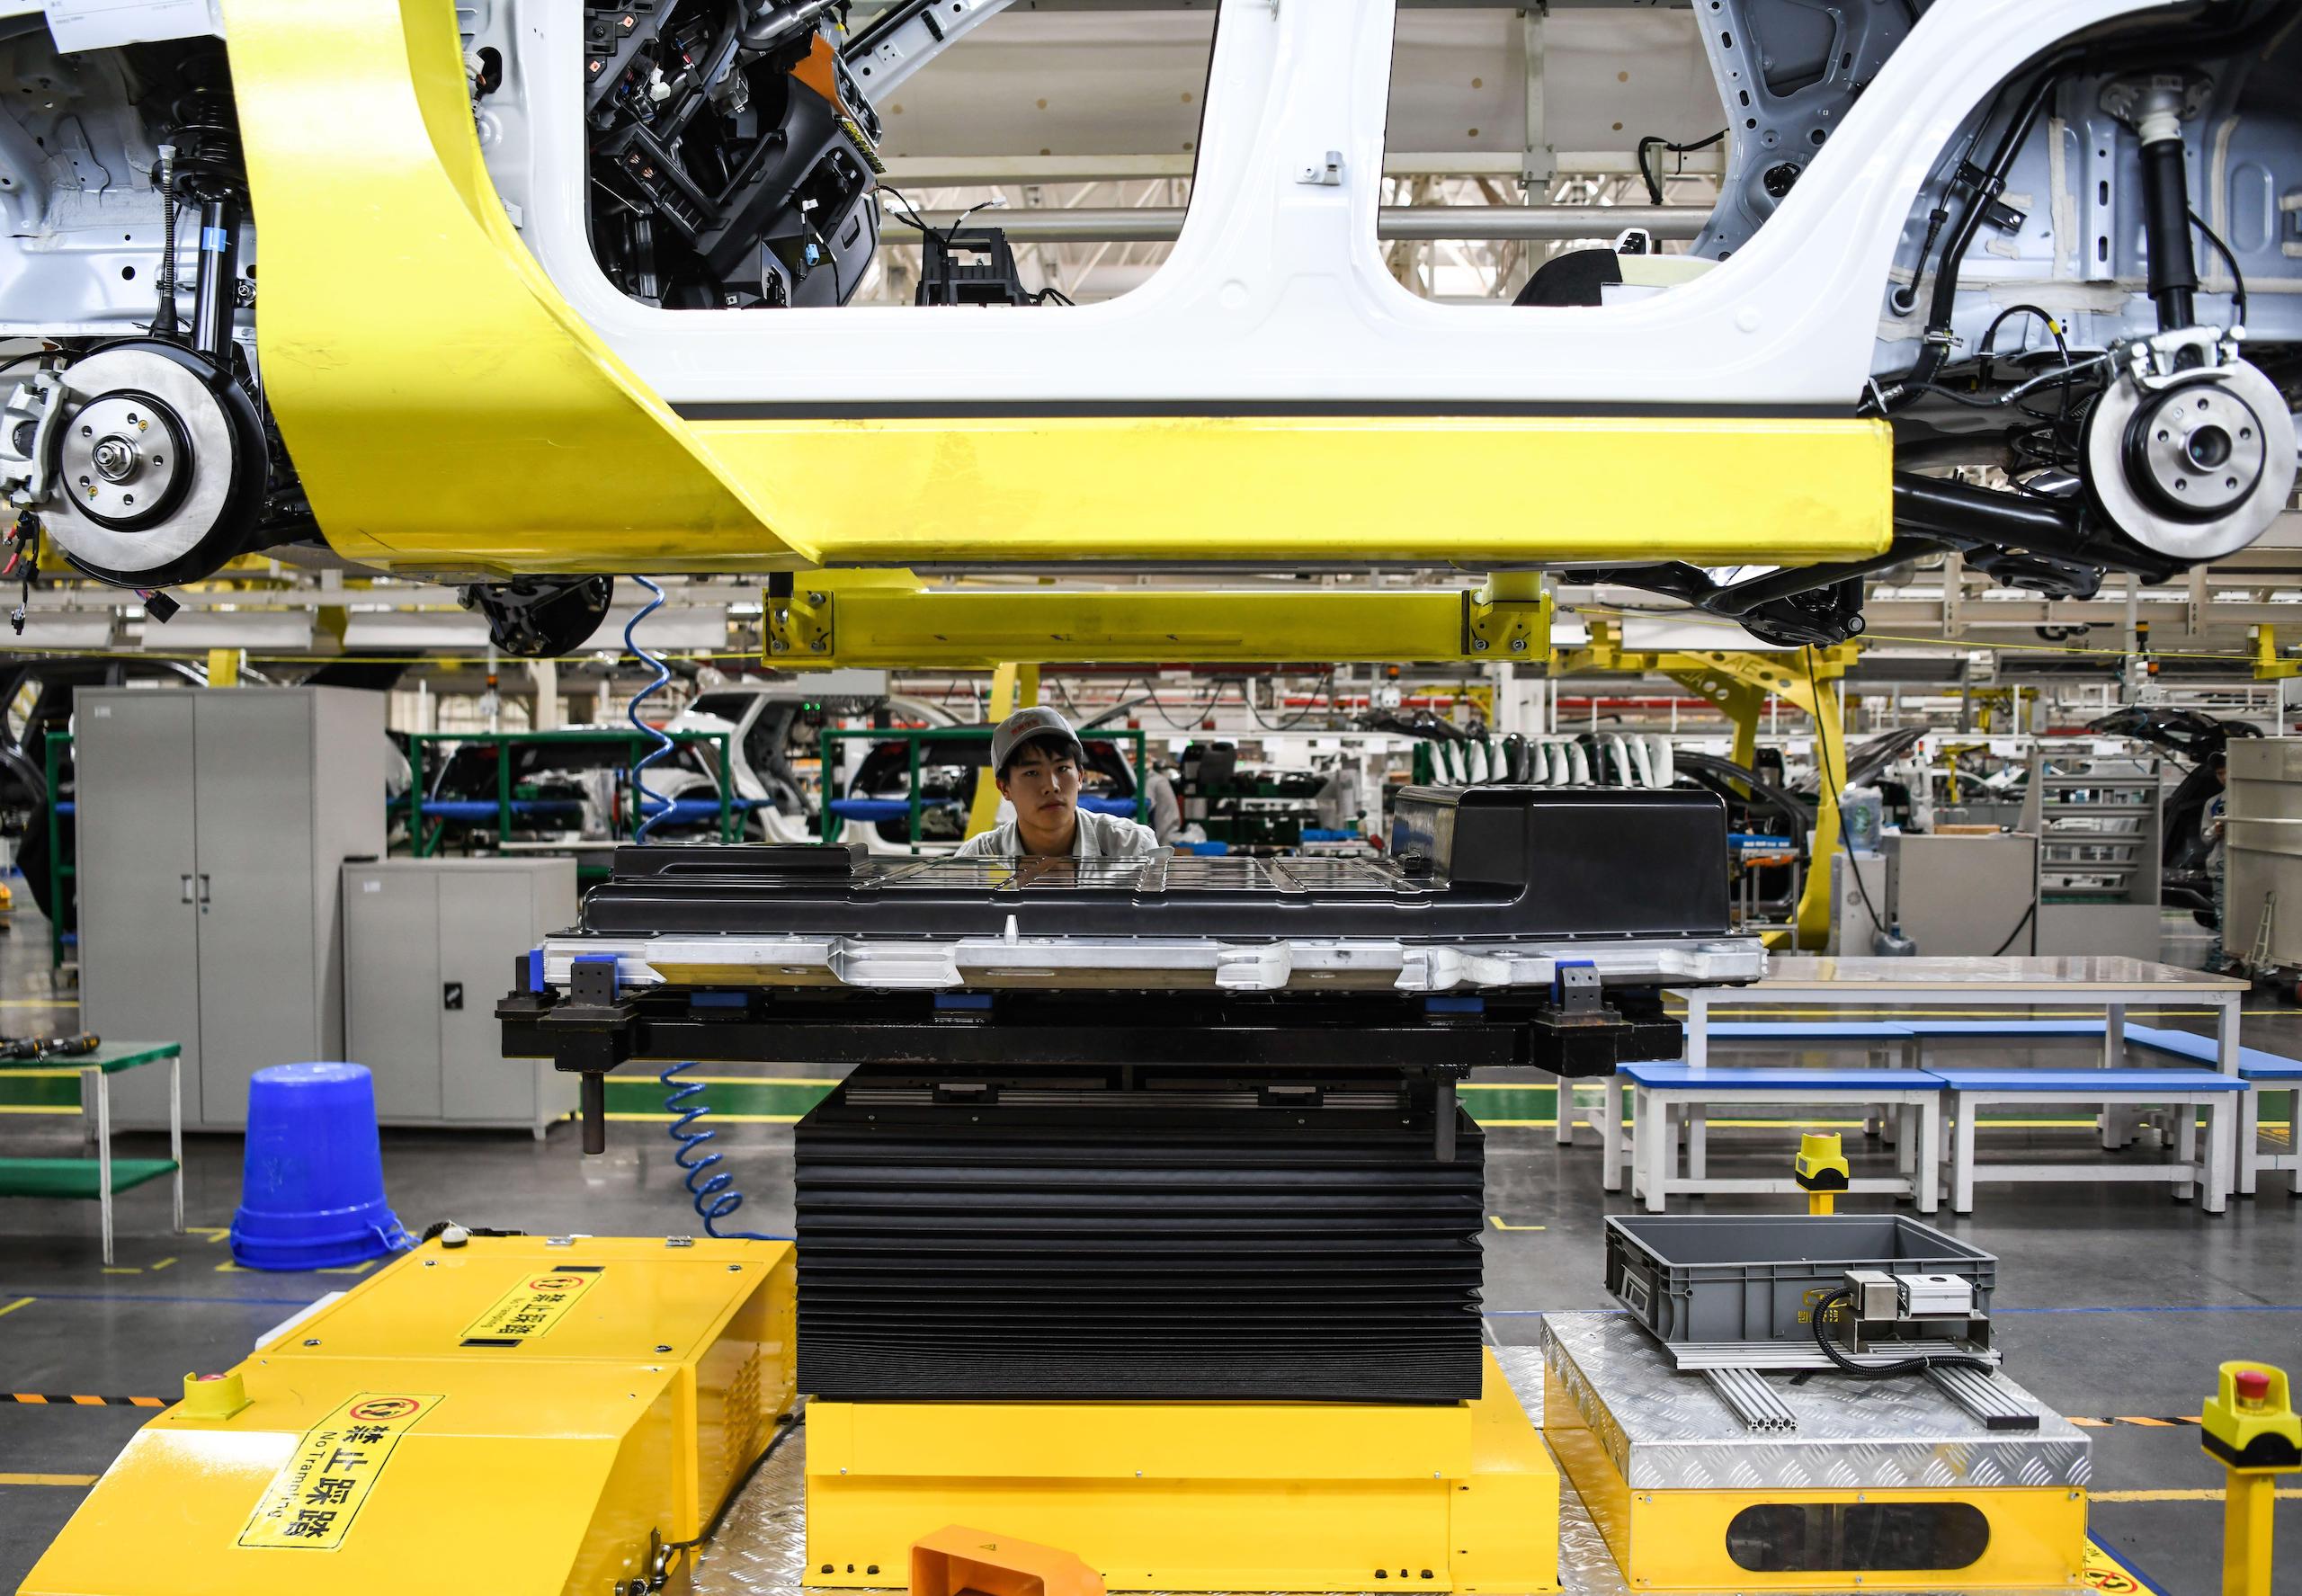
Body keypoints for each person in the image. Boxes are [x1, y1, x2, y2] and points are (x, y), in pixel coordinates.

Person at [957, 706, 1162, 858]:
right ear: (1004, 788)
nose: (1051, 786)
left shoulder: (1132, 848)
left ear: (1080, 776)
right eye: (1031, 773)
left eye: (1062, 769)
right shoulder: (978, 859)